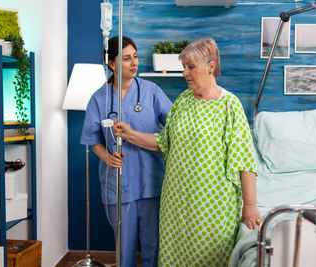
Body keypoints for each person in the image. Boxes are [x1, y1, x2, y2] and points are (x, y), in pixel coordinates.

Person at [113, 37, 260, 266]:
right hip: (176, 204)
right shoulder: (183, 101)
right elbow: (164, 141)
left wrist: (250, 206)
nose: (185, 72)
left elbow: (244, 161)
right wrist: (130, 134)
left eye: (190, 67)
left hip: (213, 206)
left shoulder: (230, 106)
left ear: (211, 67)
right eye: (184, 67)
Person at [80, 35, 172, 267]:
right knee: (124, 249)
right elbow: (94, 141)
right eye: (127, 58)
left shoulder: (151, 91)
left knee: (153, 245)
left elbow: (174, 126)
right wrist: (108, 158)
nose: (135, 63)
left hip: (151, 183)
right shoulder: (99, 99)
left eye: (136, 57)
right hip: (119, 185)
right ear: (111, 64)